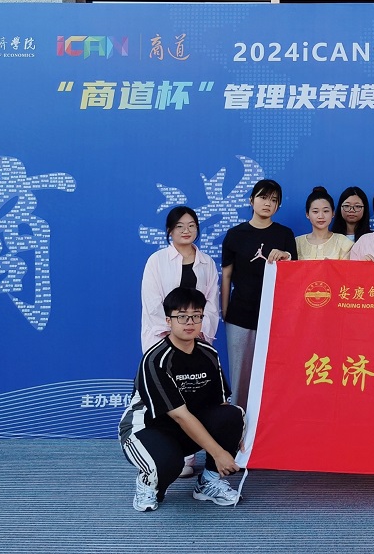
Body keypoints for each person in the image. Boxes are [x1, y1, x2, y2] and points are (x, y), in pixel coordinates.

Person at [120, 287, 244, 512]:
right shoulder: (156, 360)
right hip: (147, 429)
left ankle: (208, 483)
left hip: (184, 427)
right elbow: (180, 415)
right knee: (169, 464)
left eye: (196, 316)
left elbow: (220, 404)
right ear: (169, 320)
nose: (190, 322)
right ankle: (148, 482)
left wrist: (235, 434)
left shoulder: (208, 354)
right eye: (182, 316)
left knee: (234, 415)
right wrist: (219, 452)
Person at [140, 205, 221, 478]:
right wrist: (172, 332)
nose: (186, 231)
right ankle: (172, 453)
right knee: (169, 396)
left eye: (191, 226)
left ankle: (193, 452)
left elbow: (211, 303)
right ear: (169, 231)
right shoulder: (157, 260)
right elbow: (152, 302)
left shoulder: (207, 262)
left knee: (196, 393)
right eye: (180, 226)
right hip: (164, 338)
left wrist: (198, 332)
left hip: (196, 339)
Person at [221, 179, 297, 407]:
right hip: (240, 315)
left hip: (275, 318)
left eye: (274, 200)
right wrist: (225, 311)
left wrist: (285, 256)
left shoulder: (285, 234)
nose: (268, 203)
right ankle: (239, 421)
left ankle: (266, 424)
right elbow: (226, 276)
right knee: (240, 377)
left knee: (272, 374)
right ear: (251, 200)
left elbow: (294, 274)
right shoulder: (235, 234)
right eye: (263, 197)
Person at [296, 186, 354, 260]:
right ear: (307, 214)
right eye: (315, 211)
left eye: (326, 211)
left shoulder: (343, 242)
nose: (321, 216)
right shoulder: (297, 243)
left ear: (333, 213)